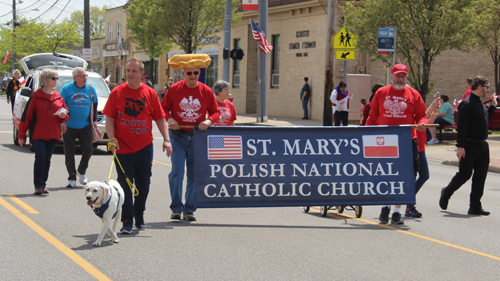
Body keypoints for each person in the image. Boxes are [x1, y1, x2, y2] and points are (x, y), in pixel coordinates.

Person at [103, 57, 173, 233]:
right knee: (124, 184)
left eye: (134, 71)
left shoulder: (149, 93)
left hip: (144, 147)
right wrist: (111, 139)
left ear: (142, 74)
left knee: (143, 183)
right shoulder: (117, 93)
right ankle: (127, 221)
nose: (130, 74)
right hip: (122, 148)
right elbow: (110, 119)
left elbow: (159, 118)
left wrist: (166, 139)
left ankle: (139, 214)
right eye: (128, 71)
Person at [366, 64, 428, 224]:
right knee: (387, 174)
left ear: (406, 78)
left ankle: (397, 211)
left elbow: (422, 115)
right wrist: (365, 134)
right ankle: (385, 207)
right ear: (391, 77)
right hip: (385, 140)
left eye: (403, 76)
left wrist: (422, 123)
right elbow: (372, 118)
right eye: (397, 76)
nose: (400, 79)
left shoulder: (414, 94)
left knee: (406, 176)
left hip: (407, 140)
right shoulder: (381, 93)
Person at [161, 54, 220, 222]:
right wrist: (169, 118)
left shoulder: (206, 90)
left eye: (196, 73)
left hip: (197, 138)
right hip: (178, 136)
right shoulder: (174, 89)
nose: (193, 76)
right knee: (177, 172)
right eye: (190, 73)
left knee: (194, 174)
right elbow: (162, 108)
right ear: (183, 74)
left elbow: (216, 112)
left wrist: (208, 120)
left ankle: (189, 208)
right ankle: (176, 207)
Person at [439, 76, 497, 216]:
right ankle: (447, 192)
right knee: (464, 174)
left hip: (482, 146)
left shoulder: (480, 103)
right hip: (469, 144)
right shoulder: (467, 103)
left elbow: (483, 121)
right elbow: (462, 127)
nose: (488, 90)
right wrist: (460, 146)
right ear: (479, 87)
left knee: (480, 176)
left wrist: (493, 107)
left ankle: (475, 206)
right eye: (487, 87)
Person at [17, 69, 69, 195]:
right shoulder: (36, 95)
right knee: (41, 157)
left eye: (57, 78)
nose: (56, 81)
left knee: (47, 159)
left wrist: (63, 116)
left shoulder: (58, 96)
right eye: (53, 78)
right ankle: (38, 185)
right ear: (45, 79)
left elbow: (65, 114)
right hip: (38, 133)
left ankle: (43, 184)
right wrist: (22, 135)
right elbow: (26, 117)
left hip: (53, 133)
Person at [60, 67, 98, 188]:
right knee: (69, 152)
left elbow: (95, 105)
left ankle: (81, 171)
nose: (85, 78)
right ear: (75, 78)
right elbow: (61, 104)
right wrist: (62, 121)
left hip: (85, 125)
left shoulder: (91, 89)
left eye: (86, 76)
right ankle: (71, 178)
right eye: (82, 76)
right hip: (69, 125)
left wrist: (94, 121)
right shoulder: (67, 88)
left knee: (88, 149)